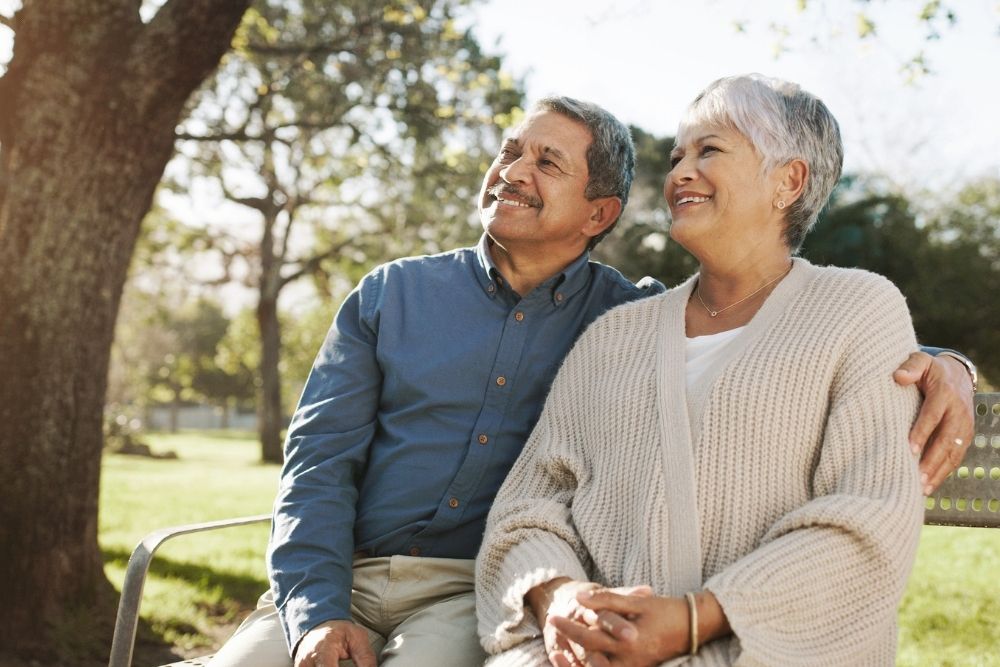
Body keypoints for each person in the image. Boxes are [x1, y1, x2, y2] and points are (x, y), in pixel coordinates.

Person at [210, 94, 975, 667]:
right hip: (336, 573)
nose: (512, 171)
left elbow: (788, 321)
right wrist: (314, 610)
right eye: (510, 152)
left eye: (547, 163)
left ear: (599, 211)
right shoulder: (392, 294)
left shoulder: (622, 317)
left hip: (460, 590)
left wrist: (948, 365)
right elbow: (315, 466)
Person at [475, 75, 971, 667]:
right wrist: (558, 597)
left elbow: (868, 520)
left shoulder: (859, 308)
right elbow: (527, 507)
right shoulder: (612, 335)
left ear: (789, 180)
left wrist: (689, 621)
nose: (679, 172)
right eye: (677, 156)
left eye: (708, 150)